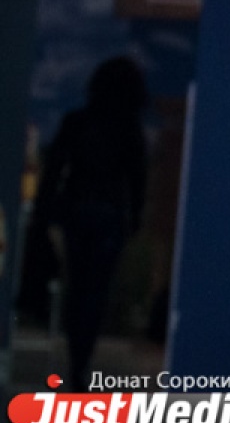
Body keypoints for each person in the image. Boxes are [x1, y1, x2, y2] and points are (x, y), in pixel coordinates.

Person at [33, 55, 149, 385]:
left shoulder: (77, 122)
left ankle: (76, 358)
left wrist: (45, 213)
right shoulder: (129, 129)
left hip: (77, 209)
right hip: (110, 215)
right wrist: (134, 219)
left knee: (77, 286)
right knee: (95, 293)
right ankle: (81, 362)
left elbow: (54, 169)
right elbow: (137, 180)